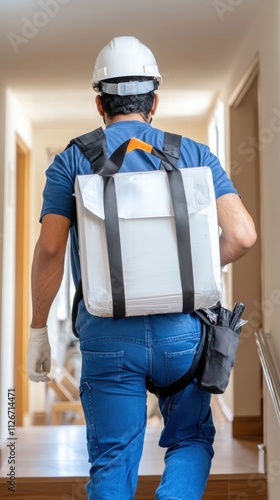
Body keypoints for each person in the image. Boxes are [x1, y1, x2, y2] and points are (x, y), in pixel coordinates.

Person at [27, 36, 257, 500]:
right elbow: (242, 235)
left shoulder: (72, 159)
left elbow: (50, 251)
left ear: (99, 103)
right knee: (190, 439)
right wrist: (183, 275)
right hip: (182, 334)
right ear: (155, 100)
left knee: (113, 458)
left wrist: (37, 329)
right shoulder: (194, 154)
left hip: (108, 335)